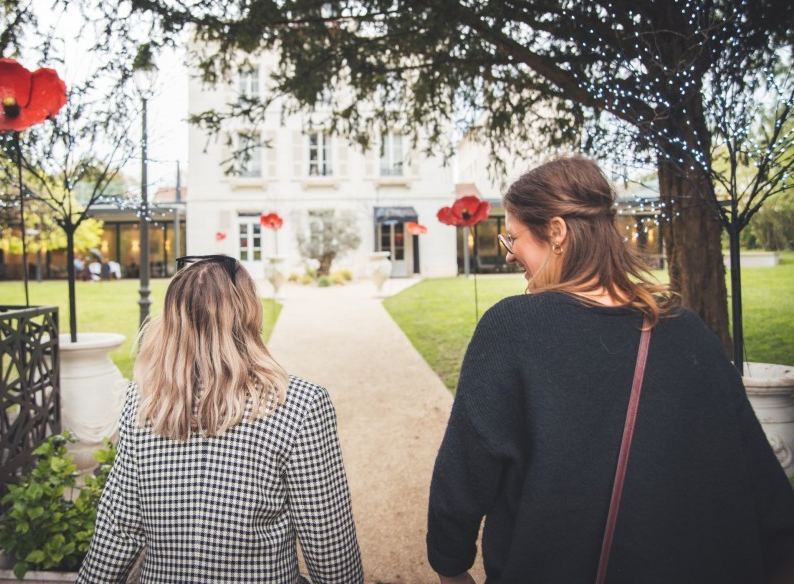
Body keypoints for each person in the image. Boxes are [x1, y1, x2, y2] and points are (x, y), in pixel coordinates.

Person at [427, 157, 794, 584]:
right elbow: (764, 492)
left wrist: (450, 566)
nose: (511, 255)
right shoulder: (690, 331)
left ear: (558, 232)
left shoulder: (512, 327)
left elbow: (463, 477)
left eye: (514, 238)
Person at [78, 254, 363, 584]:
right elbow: (330, 548)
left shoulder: (143, 402)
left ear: (172, 320)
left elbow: (118, 532)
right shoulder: (299, 404)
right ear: (248, 313)